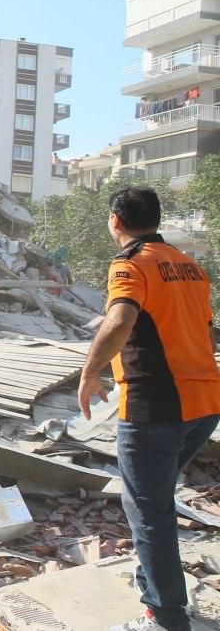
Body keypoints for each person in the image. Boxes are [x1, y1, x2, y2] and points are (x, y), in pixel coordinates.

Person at [78, 188, 220, 631]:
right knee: (153, 501)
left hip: (156, 406)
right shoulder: (189, 266)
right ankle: (154, 591)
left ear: (115, 220)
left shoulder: (130, 265)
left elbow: (120, 319)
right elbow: (209, 333)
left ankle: (165, 617)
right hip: (206, 404)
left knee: (148, 511)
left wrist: (89, 372)